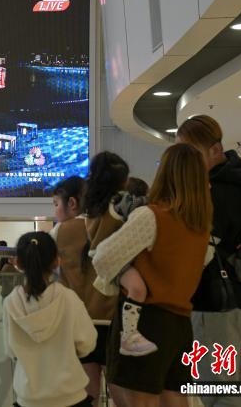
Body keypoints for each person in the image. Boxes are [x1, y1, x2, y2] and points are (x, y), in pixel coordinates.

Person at [92, 143, 212, 407]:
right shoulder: (200, 228)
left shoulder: (151, 216)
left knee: (139, 399)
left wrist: (126, 273)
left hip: (143, 321)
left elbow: (103, 257)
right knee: (175, 398)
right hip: (181, 323)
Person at [177, 115, 241, 407]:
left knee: (220, 392)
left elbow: (199, 251)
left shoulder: (212, 192)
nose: (185, 160)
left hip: (215, 303)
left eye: (190, 152)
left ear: (215, 150)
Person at [4, 231, 97, 407]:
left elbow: (11, 350)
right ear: (56, 261)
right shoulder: (69, 298)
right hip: (70, 396)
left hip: (29, 399)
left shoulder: (10, 303)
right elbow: (87, 343)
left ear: (18, 263)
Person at [83, 151, 153, 357]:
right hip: (115, 259)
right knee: (138, 289)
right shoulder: (120, 202)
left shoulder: (92, 205)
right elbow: (145, 208)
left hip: (99, 260)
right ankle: (130, 335)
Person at [49, 176, 107, 402]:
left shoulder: (60, 231)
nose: (55, 211)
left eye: (56, 204)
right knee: (120, 393)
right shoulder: (105, 224)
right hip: (111, 318)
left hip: (79, 321)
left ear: (72, 203)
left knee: (88, 392)